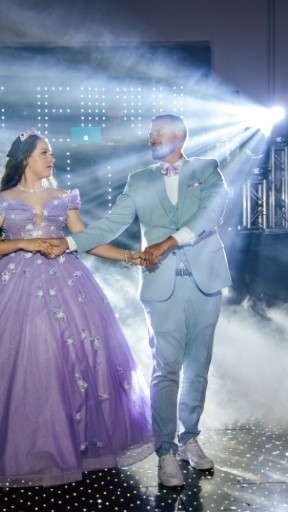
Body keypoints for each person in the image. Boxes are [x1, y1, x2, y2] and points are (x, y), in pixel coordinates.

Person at [0, 129, 154, 487]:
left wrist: (128, 255)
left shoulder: (64, 198)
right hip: (16, 287)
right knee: (23, 361)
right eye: (45, 152)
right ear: (26, 157)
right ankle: (19, 448)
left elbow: (86, 240)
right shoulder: (4, 200)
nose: (51, 159)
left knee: (73, 360)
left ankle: (76, 446)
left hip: (69, 283)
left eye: (51, 153)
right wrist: (21, 243)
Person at [48, 114, 231, 487]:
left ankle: (189, 439)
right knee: (167, 366)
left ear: (180, 136)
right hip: (160, 284)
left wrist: (167, 242)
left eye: (159, 133)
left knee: (198, 366)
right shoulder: (139, 180)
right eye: (150, 135)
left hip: (206, 280)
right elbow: (110, 225)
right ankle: (165, 452)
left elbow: (212, 214)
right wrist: (68, 242)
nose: (152, 139)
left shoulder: (207, 169)